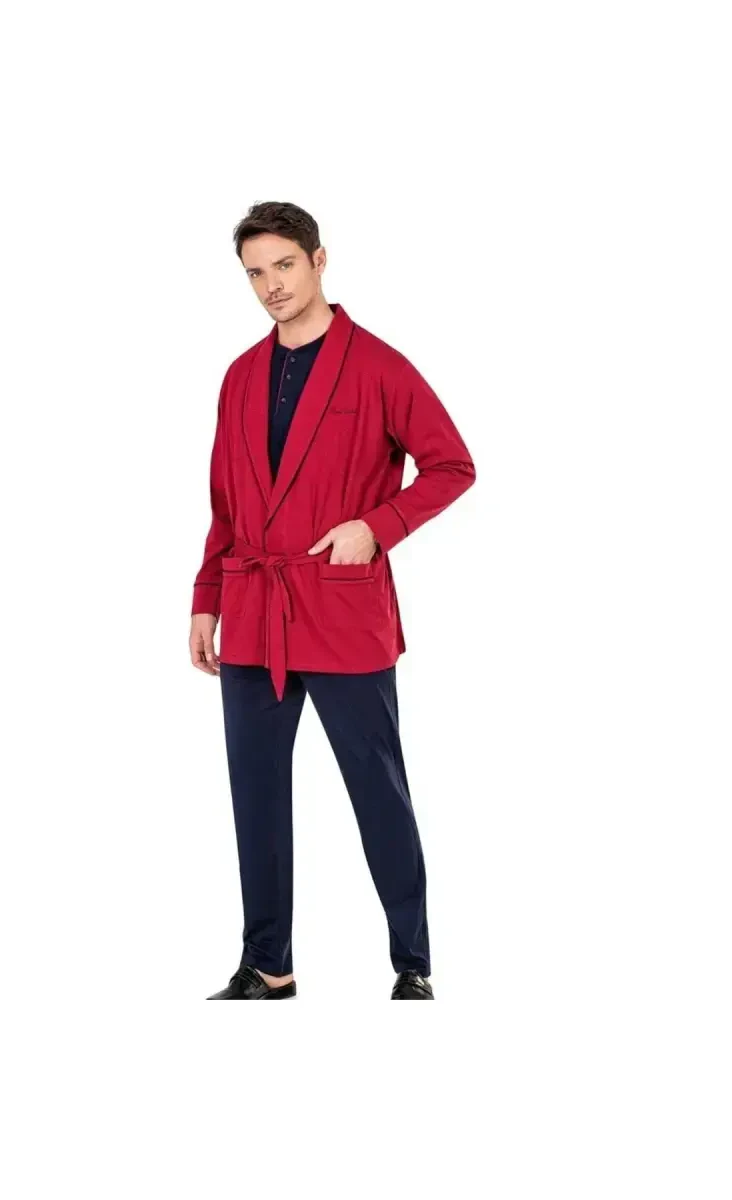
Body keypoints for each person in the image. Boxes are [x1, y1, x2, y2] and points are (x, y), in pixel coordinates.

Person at [189, 201, 476, 999]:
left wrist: (378, 527)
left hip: (342, 610)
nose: (271, 286)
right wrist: (206, 598)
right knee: (255, 797)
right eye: (255, 273)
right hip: (254, 609)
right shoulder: (240, 376)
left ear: (319, 261)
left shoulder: (380, 366)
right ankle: (267, 966)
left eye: (284, 265)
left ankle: (412, 965)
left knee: (378, 791)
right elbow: (225, 504)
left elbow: (452, 465)